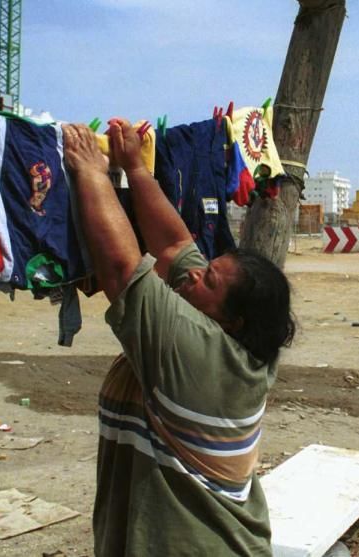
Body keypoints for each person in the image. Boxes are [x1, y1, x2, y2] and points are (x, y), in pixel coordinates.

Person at [62, 119, 296, 556]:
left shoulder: (200, 355)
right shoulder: (238, 341)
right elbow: (173, 245)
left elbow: (121, 269)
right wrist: (135, 168)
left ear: (232, 322)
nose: (192, 274)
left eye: (208, 280)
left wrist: (92, 173)